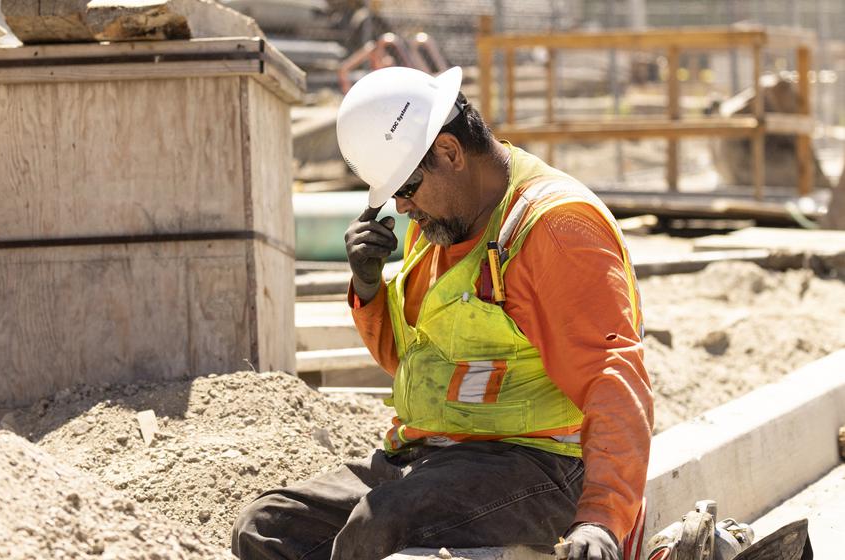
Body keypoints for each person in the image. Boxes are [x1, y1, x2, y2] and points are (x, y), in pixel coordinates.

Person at [232, 66, 653, 560]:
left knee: (380, 524)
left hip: (542, 466)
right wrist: (368, 286)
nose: (404, 208)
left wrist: (602, 520)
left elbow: (614, 377)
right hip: (435, 457)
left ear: (450, 152)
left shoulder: (554, 228)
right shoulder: (443, 224)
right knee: (265, 528)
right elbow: (415, 363)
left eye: (407, 188)